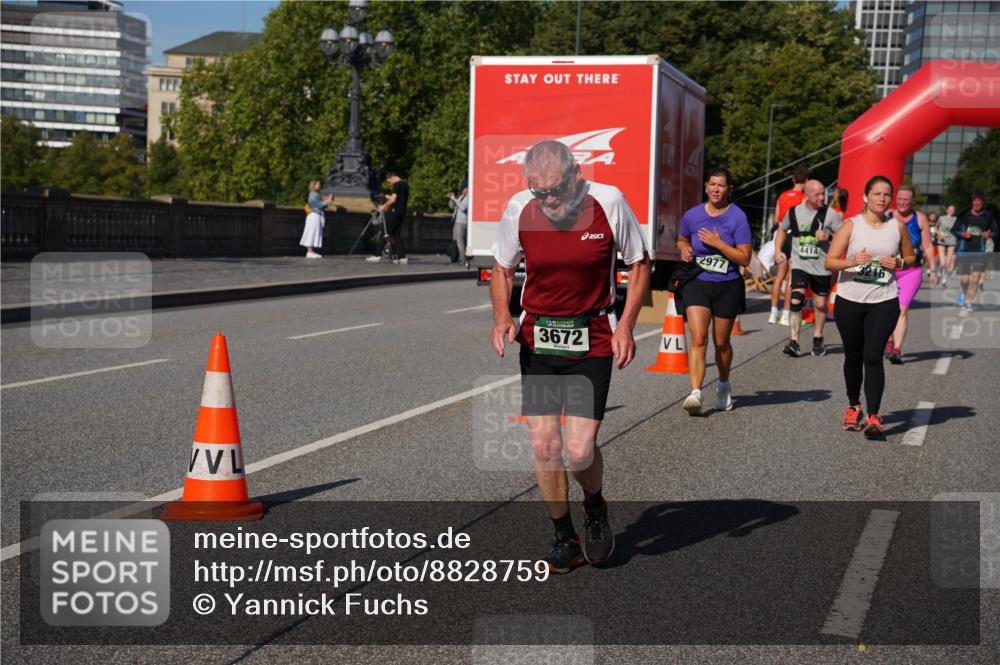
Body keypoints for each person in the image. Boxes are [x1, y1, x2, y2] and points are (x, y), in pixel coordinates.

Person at [490, 140, 650, 573]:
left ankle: (594, 506)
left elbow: (639, 264)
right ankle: (564, 538)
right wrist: (503, 315)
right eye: (539, 192)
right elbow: (503, 268)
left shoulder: (608, 201)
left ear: (576, 172)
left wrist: (626, 324)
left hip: (593, 336)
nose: (548, 199)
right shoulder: (520, 208)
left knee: (579, 453)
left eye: (556, 189)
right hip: (540, 338)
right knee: (544, 446)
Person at [825, 175, 916, 438]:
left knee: (873, 356)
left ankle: (874, 416)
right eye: (877, 194)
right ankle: (854, 407)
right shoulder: (850, 226)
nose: (882, 199)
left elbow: (911, 257)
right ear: (866, 196)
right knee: (853, 357)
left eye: (887, 195)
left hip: (883, 301)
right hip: (850, 301)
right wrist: (851, 261)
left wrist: (898, 263)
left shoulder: (896, 227)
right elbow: (829, 262)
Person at [677, 167, 752, 415]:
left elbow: (744, 258)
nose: (716, 189)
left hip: (728, 284)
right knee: (699, 338)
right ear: (706, 187)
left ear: (729, 189)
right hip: (698, 281)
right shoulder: (692, 215)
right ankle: (695, 392)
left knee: (721, 343)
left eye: (721, 185)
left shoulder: (737, 217)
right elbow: (682, 238)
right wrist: (684, 248)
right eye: (712, 184)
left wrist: (719, 244)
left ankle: (723, 384)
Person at [773, 179, 843, 357]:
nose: (822, 197)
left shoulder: (831, 215)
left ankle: (818, 337)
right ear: (807, 195)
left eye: (823, 194)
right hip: (800, 264)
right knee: (796, 299)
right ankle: (794, 341)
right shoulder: (794, 212)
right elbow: (781, 230)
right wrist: (777, 250)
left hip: (822, 267)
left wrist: (828, 237)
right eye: (817, 194)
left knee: (820, 304)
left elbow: (844, 238)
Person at [884, 186, 935, 364]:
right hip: (888, 270)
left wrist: (933, 269)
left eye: (906, 199)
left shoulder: (919, 218)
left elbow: (927, 246)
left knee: (902, 310)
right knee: (887, 309)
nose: (902, 202)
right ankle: (889, 340)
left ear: (913, 201)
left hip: (911, 271)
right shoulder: (887, 215)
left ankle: (897, 349)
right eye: (899, 199)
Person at [769, 165, 809, 325]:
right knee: (790, 277)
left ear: (793, 179)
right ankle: (786, 314)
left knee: (779, 277)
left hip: (781, 234)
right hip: (795, 236)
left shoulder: (782, 196)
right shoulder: (803, 197)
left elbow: (776, 219)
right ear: (806, 181)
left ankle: (773, 313)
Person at [954, 192, 999, 312]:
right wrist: (962, 234)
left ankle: (969, 302)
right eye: (975, 200)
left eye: (979, 201)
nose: (976, 203)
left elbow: (996, 231)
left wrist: (989, 234)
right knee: (964, 279)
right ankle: (962, 291)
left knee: (976, 278)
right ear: (972, 202)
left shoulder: (988, 216)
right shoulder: (964, 215)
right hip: (964, 249)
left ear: (982, 202)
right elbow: (954, 229)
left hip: (980, 250)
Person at [367, 172, 410, 264]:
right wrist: (386, 196)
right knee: (396, 235)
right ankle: (402, 257)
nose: (390, 183)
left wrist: (384, 206)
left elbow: (393, 199)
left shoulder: (396, 185)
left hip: (394, 212)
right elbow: (399, 199)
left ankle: (377, 255)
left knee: (385, 232)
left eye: (389, 181)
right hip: (401, 212)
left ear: (392, 177)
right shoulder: (405, 184)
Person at [300, 179, 333, 259]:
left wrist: (328, 201)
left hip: (316, 215)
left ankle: (311, 251)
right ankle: (309, 251)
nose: (320, 186)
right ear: (314, 185)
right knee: (312, 232)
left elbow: (322, 205)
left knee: (314, 232)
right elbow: (318, 205)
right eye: (318, 184)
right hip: (314, 216)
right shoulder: (313, 194)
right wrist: (327, 201)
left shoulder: (315, 194)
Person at [448, 180, 469, 267]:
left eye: (463, 189)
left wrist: (455, 199)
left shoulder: (469, 197)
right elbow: (452, 207)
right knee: (455, 241)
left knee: (460, 242)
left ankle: (463, 259)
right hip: (456, 221)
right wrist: (452, 200)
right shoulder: (461, 197)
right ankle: (455, 257)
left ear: (467, 189)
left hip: (462, 222)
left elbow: (463, 207)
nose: (461, 190)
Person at [936, 204, 958, 285]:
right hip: (941, 241)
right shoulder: (941, 218)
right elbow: (936, 228)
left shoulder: (956, 219)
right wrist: (939, 234)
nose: (952, 211)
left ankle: (944, 278)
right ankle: (939, 270)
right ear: (947, 210)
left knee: (948, 263)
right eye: (950, 209)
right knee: (942, 263)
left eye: (953, 210)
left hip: (952, 241)